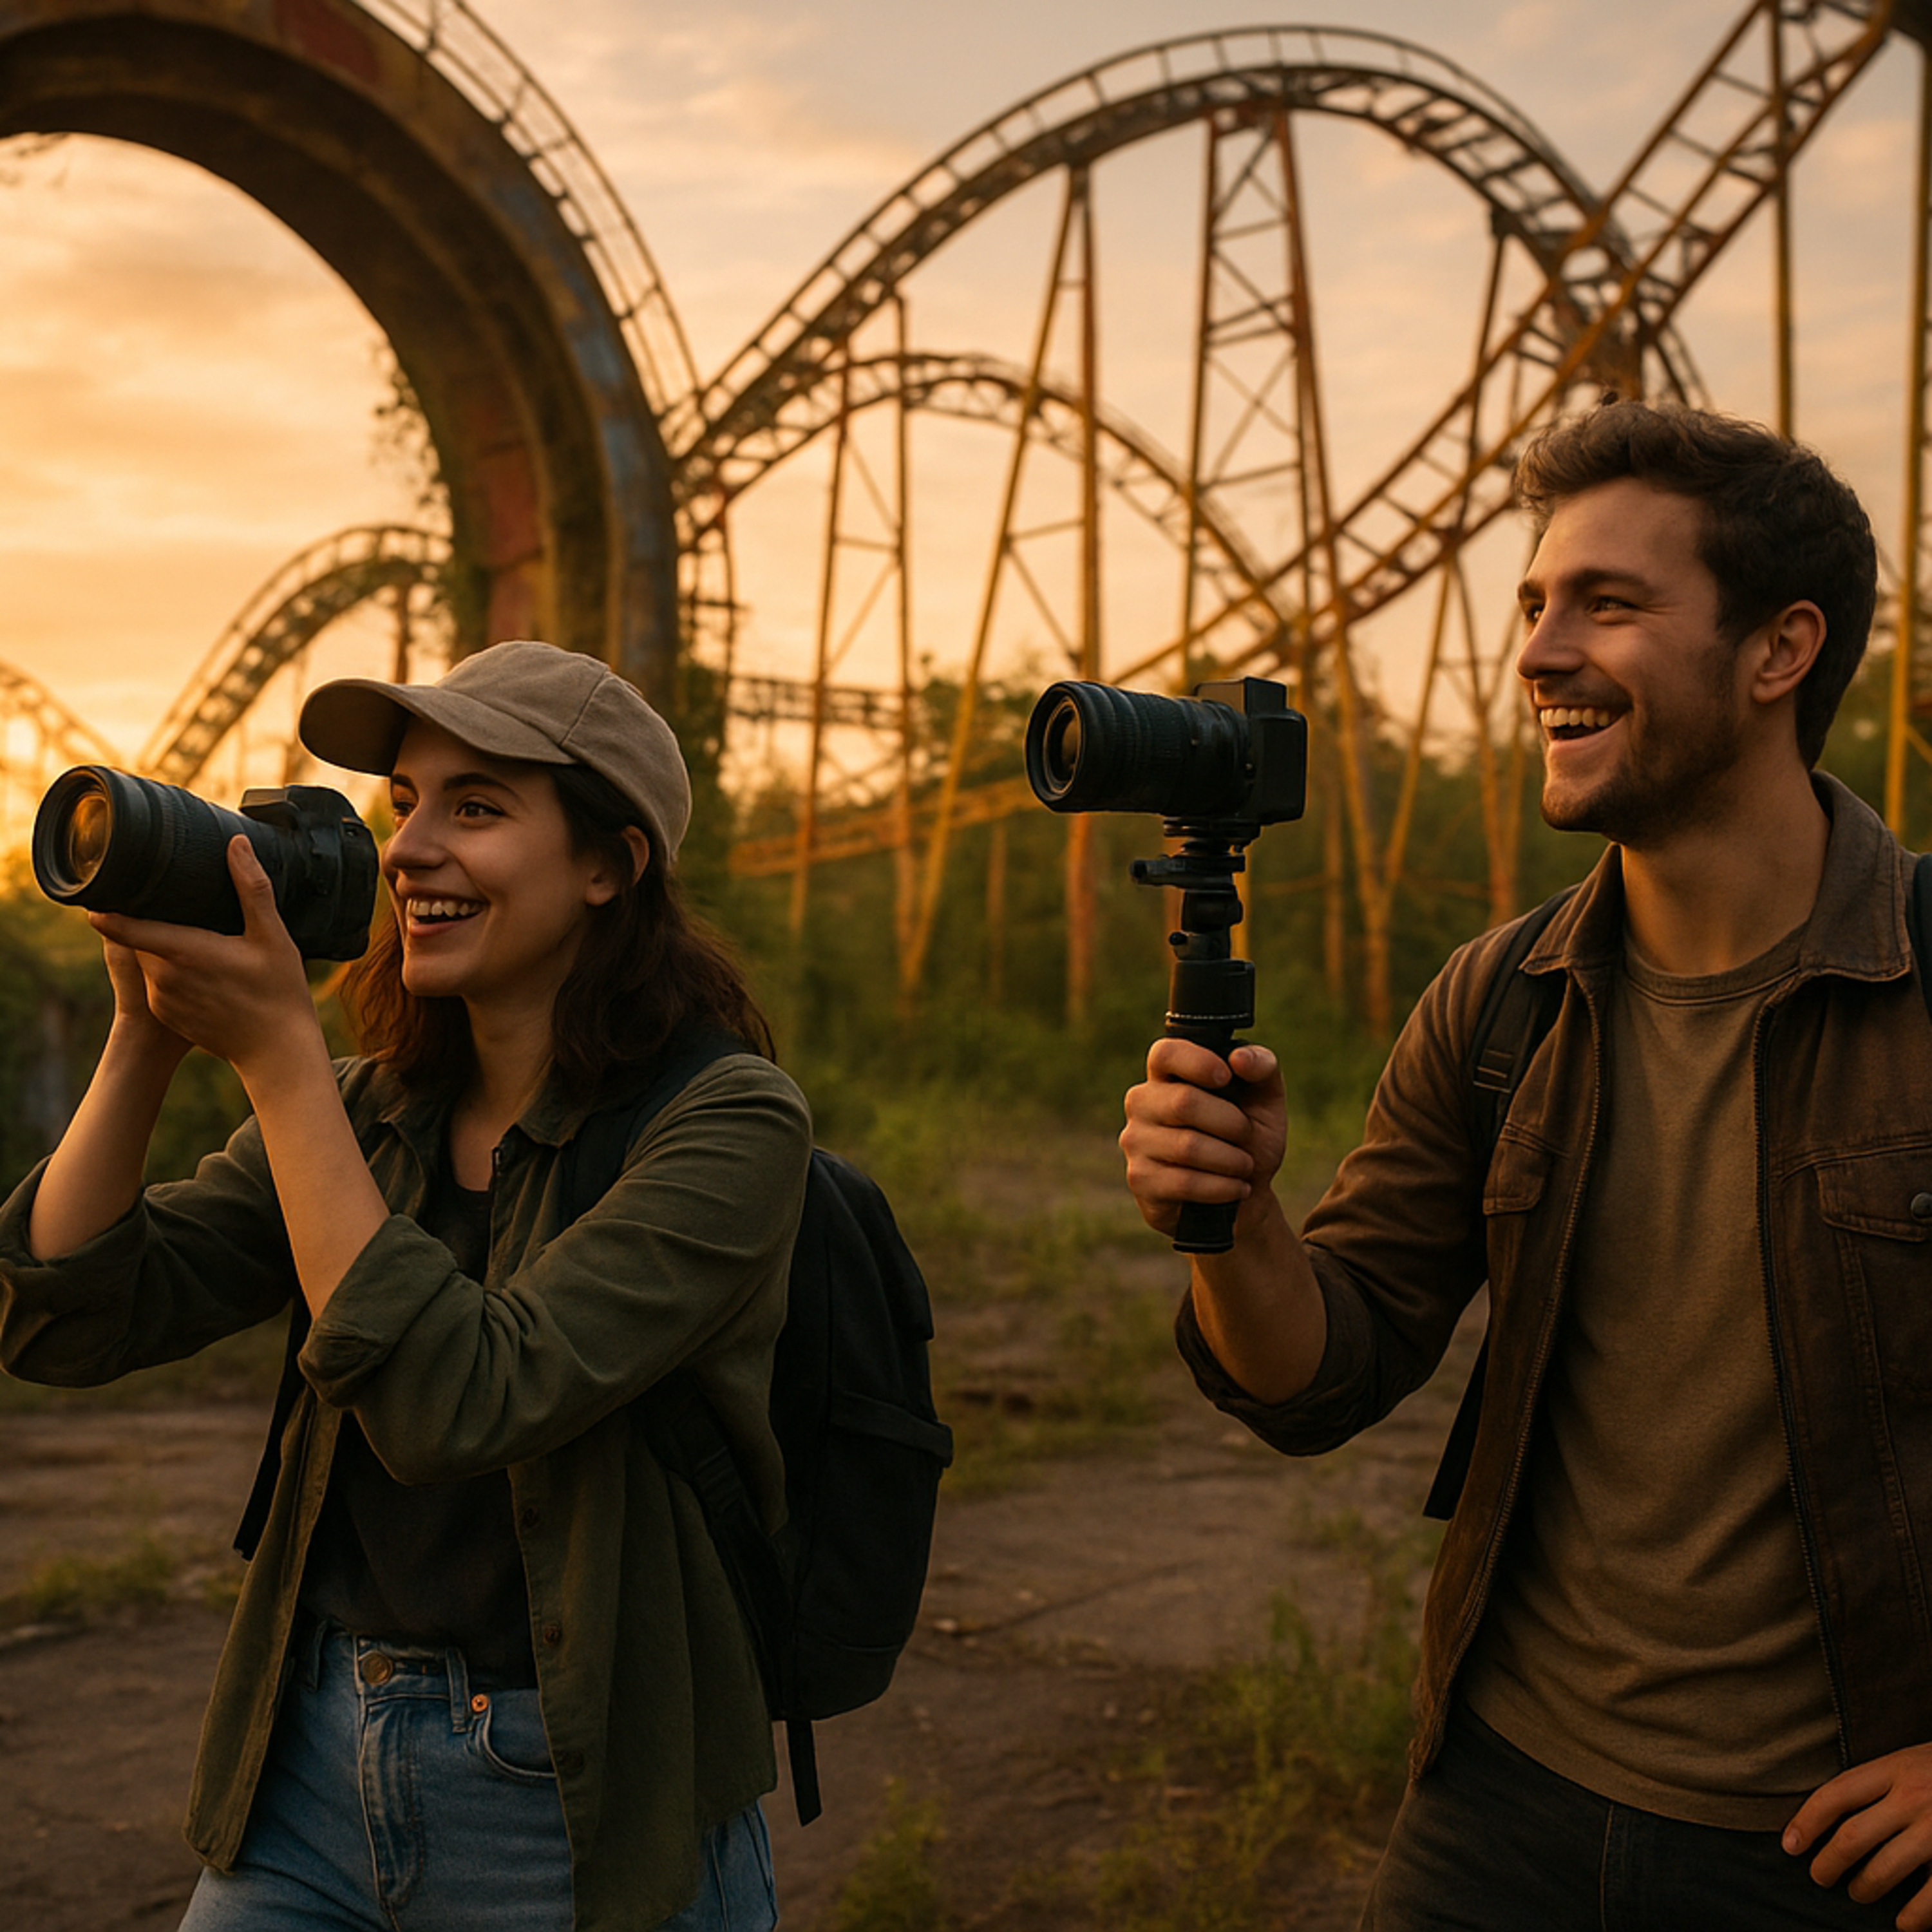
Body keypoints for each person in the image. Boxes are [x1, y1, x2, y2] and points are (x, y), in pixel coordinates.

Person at [1119, 400, 1932, 1930]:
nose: (1540, 654)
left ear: (1780, 651)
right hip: (1499, 1807)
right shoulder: (1498, 1002)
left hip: (1829, 1852)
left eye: (1608, 605)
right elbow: (1321, 1375)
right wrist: (1231, 1217)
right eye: (1536, 605)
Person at [0, 639, 811, 1931]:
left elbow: (466, 1402)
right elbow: (64, 1316)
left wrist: (279, 1057)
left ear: (609, 865)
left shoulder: (727, 1125)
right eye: (406, 803)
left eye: (475, 809)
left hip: (577, 1801)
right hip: (312, 1767)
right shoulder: (371, 1112)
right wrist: (145, 1035)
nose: (409, 850)